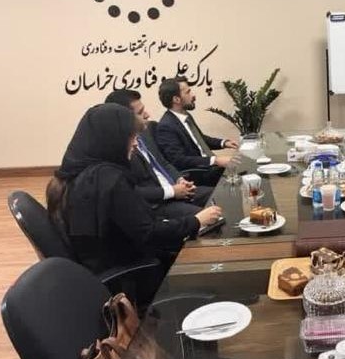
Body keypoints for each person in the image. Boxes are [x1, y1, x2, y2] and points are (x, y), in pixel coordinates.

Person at [45, 104, 222, 279]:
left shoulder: (77, 174)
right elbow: (149, 234)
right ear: (113, 140)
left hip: (102, 265)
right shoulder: (109, 180)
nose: (136, 143)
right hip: (136, 271)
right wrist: (197, 220)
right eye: (131, 137)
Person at [104, 89, 213, 218]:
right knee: (212, 216)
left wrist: (180, 180)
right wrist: (172, 191)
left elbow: (163, 163)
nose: (147, 115)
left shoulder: (145, 133)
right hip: (157, 205)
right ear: (123, 118)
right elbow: (132, 191)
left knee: (220, 195)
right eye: (140, 113)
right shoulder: (119, 150)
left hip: (176, 190)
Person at [155, 76, 238, 186]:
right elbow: (179, 160)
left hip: (210, 168)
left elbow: (200, 139)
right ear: (176, 99)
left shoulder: (185, 116)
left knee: (244, 167)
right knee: (241, 175)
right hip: (199, 175)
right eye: (188, 92)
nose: (193, 95)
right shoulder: (166, 127)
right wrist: (215, 160)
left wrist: (224, 143)